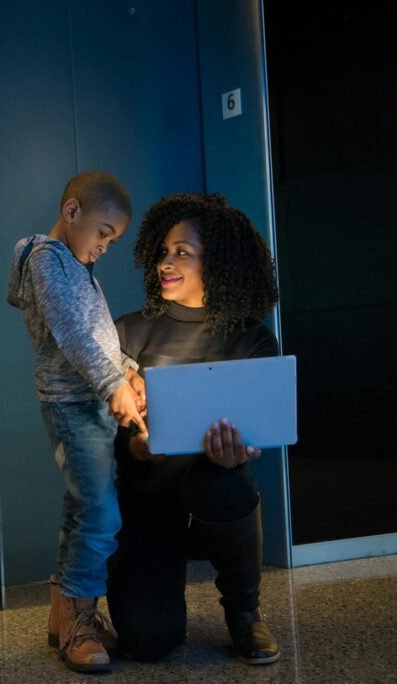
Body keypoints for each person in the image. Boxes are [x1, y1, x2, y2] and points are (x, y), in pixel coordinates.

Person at [107, 193, 282, 665]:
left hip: (213, 497)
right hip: (146, 497)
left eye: (182, 252)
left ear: (218, 261)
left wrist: (239, 452)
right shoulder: (127, 332)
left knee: (223, 484)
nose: (166, 261)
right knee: (147, 643)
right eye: (164, 251)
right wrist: (137, 447)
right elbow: (102, 429)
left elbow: (258, 428)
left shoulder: (252, 338)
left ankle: (245, 614)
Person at [7, 171, 146, 673]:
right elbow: (71, 333)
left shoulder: (73, 263)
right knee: (101, 516)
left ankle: (63, 618)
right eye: (104, 233)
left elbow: (98, 335)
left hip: (90, 401)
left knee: (80, 510)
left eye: (113, 239)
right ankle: (80, 619)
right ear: (72, 213)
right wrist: (113, 385)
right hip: (72, 404)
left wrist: (128, 371)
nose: (106, 246)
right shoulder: (48, 259)